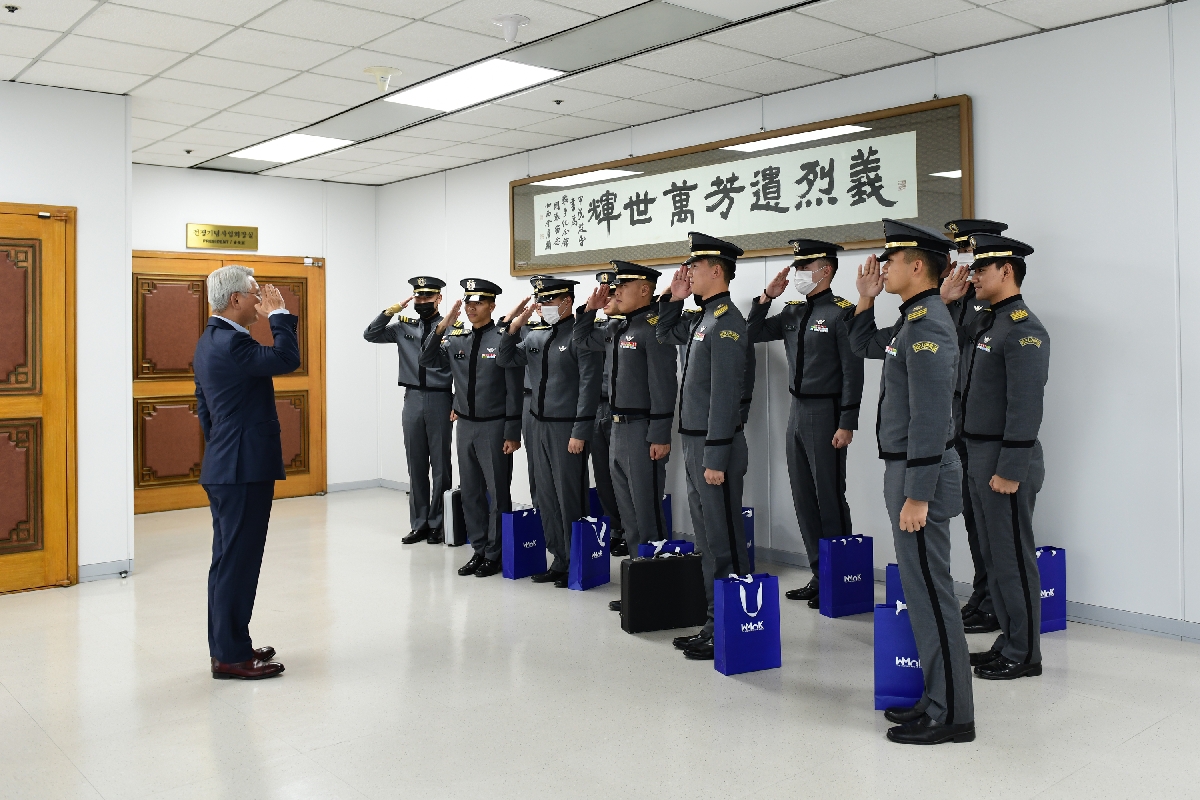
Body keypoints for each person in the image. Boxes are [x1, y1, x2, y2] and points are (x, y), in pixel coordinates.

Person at [847, 220, 975, 745]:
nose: (883, 268)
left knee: (932, 591)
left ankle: (954, 715)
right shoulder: (912, 320)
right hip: (905, 468)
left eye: (890, 261)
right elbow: (859, 344)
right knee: (920, 591)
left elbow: (929, 417)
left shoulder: (929, 326)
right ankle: (936, 696)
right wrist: (865, 298)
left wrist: (918, 493)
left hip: (918, 472)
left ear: (917, 265)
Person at [946, 233, 1050, 680]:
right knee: (992, 554)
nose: (974, 276)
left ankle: (1025, 653)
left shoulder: (1024, 329)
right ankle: (1008, 640)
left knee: (1011, 557)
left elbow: (1026, 407)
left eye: (981, 269)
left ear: (1007, 271)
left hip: (1004, 459)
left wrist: (1010, 468)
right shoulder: (986, 322)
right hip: (975, 450)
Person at [194, 265, 300, 680]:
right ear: (235, 299)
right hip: (240, 469)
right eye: (256, 294)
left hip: (227, 464)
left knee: (229, 562)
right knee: (237, 563)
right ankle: (230, 657)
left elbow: (206, 411)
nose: (260, 299)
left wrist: (224, 448)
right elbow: (286, 359)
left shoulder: (211, 340)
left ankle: (230, 644)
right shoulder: (232, 344)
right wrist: (279, 316)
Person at [747, 239, 864, 608]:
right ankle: (818, 572)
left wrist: (847, 421)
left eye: (804, 268)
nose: (797, 274)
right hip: (797, 411)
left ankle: (840, 576)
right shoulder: (793, 312)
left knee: (828, 497)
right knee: (803, 496)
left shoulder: (842, 313)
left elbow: (852, 372)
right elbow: (751, 334)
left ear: (825, 271)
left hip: (826, 413)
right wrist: (767, 296)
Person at [655, 233, 750, 662]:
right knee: (708, 540)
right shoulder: (702, 317)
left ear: (718, 270)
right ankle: (715, 622)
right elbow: (664, 334)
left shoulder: (727, 322)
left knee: (724, 540)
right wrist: (674, 299)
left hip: (715, 448)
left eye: (695, 268)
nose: (688, 273)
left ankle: (732, 625)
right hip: (696, 444)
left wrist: (715, 456)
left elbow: (726, 397)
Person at [577, 263, 678, 614]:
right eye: (615, 286)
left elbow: (664, 387)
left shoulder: (654, 329)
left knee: (647, 513)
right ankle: (639, 582)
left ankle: (658, 586)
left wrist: (660, 434)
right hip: (617, 427)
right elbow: (581, 340)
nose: (616, 291)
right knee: (629, 514)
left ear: (646, 290)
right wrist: (591, 309)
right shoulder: (619, 328)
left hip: (642, 430)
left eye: (624, 286)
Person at [498, 277, 601, 588]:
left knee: (569, 496)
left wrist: (580, 431)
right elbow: (505, 359)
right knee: (543, 494)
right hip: (537, 425)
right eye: (540, 301)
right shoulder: (537, 337)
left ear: (567, 301)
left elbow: (589, 387)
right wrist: (514, 328)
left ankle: (576, 558)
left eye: (549, 301)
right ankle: (558, 557)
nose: (543, 307)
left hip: (566, 428)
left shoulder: (582, 336)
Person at [421, 279, 524, 578]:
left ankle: (496, 553)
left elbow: (514, 389)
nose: (471, 308)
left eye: (478, 303)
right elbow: (427, 359)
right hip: (464, 425)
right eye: (468, 303)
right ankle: (479, 549)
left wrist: (512, 431)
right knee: (471, 494)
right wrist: (442, 326)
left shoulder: (503, 339)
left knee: (497, 493)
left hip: (494, 428)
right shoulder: (456, 340)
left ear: (492, 306)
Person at [943, 218, 1011, 635]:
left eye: (971, 254)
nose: (965, 264)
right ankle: (982, 594)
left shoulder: (994, 303)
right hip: (960, 422)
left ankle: (994, 601)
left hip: (988, 429)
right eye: (962, 253)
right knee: (972, 518)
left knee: (993, 526)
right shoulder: (958, 296)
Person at [364, 277, 455, 544]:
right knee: (415, 463)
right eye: (418, 298)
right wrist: (391, 310)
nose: (422, 303)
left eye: (428, 298)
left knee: (440, 465)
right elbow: (370, 334)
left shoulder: (450, 328)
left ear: (438, 299)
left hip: (441, 399)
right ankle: (419, 522)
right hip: (412, 398)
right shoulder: (404, 327)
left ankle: (439, 521)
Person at [577, 269, 628, 556]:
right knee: (604, 475)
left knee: (624, 474)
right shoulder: (599, 330)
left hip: (623, 409)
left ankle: (630, 530)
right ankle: (616, 527)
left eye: (612, 293)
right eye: (603, 294)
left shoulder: (634, 327)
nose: (607, 298)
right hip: (598, 407)